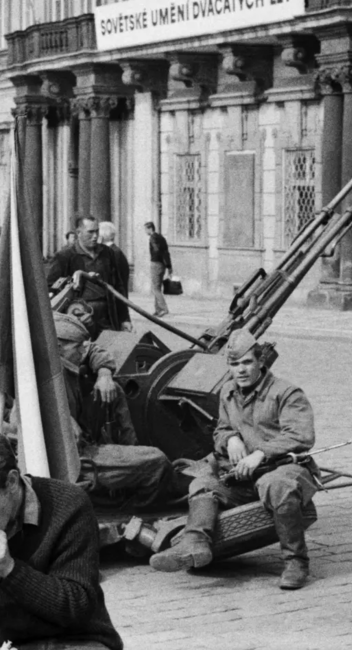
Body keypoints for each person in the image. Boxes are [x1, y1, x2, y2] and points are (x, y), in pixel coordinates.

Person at [149, 329, 318, 590]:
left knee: (275, 487)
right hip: (243, 475)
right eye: (234, 364)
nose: (240, 370)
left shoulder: (286, 393)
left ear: (261, 361)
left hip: (285, 468)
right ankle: (195, 543)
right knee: (202, 485)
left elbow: (300, 435)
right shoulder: (229, 392)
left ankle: (296, 561)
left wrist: (261, 453)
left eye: (247, 362)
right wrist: (230, 439)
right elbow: (221, 428)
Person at [0, 429, 124, 650]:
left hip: (78, 639)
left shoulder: (68, 504)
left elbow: (77, 607)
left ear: (12, 482)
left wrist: (10, 570)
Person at [53, 311, 173, 511]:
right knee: (157, 461)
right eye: (78, 347)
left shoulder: (57, 360)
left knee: (115, 389)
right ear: (58, 347)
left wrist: (104, 374)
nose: (84, 351)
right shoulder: (44, 379)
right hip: (72, 461)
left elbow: (92, 349)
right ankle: (129, 509)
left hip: (78, 447)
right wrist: (63, 420)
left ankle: (131, 453)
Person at [46, 216, 130, 337]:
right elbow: (51, 289)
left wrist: (125, 319)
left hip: (106, 317)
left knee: (109, 351)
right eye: (90, 232)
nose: (95, 236)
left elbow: (118, 287)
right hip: (78, 319)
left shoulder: (108, 253)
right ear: (78, 233)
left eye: (97, 231)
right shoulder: (65, 256)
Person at [143, 221, 172, 318]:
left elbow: (156, 250)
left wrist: (155, 259)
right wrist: (169, 266)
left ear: (150, 228)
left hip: (156, 263)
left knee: (155, 288)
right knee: (157, 287)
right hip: (163, 265)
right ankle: (157, 309)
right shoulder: (162, 237)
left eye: (146, 229)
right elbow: (166, 252)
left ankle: (163, 309)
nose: (145, 231)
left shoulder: (153, 238)